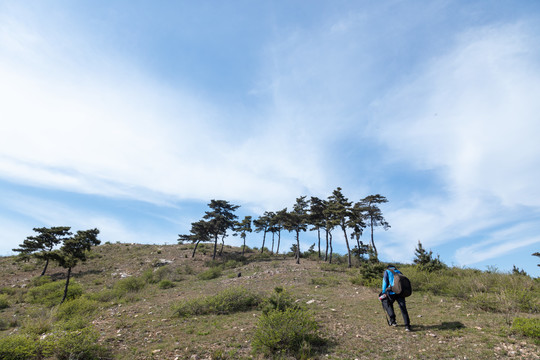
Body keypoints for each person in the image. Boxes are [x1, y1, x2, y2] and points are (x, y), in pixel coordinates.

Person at [380, 264, 411, 332]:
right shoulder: (399, 272)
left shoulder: (387, 271)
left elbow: (385, 282)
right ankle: (407, 326)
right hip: (400, 292)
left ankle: (393, 321)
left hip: (391, 292)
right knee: (403, 308)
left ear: (388, 267)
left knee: (388, 304)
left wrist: (383, 292)